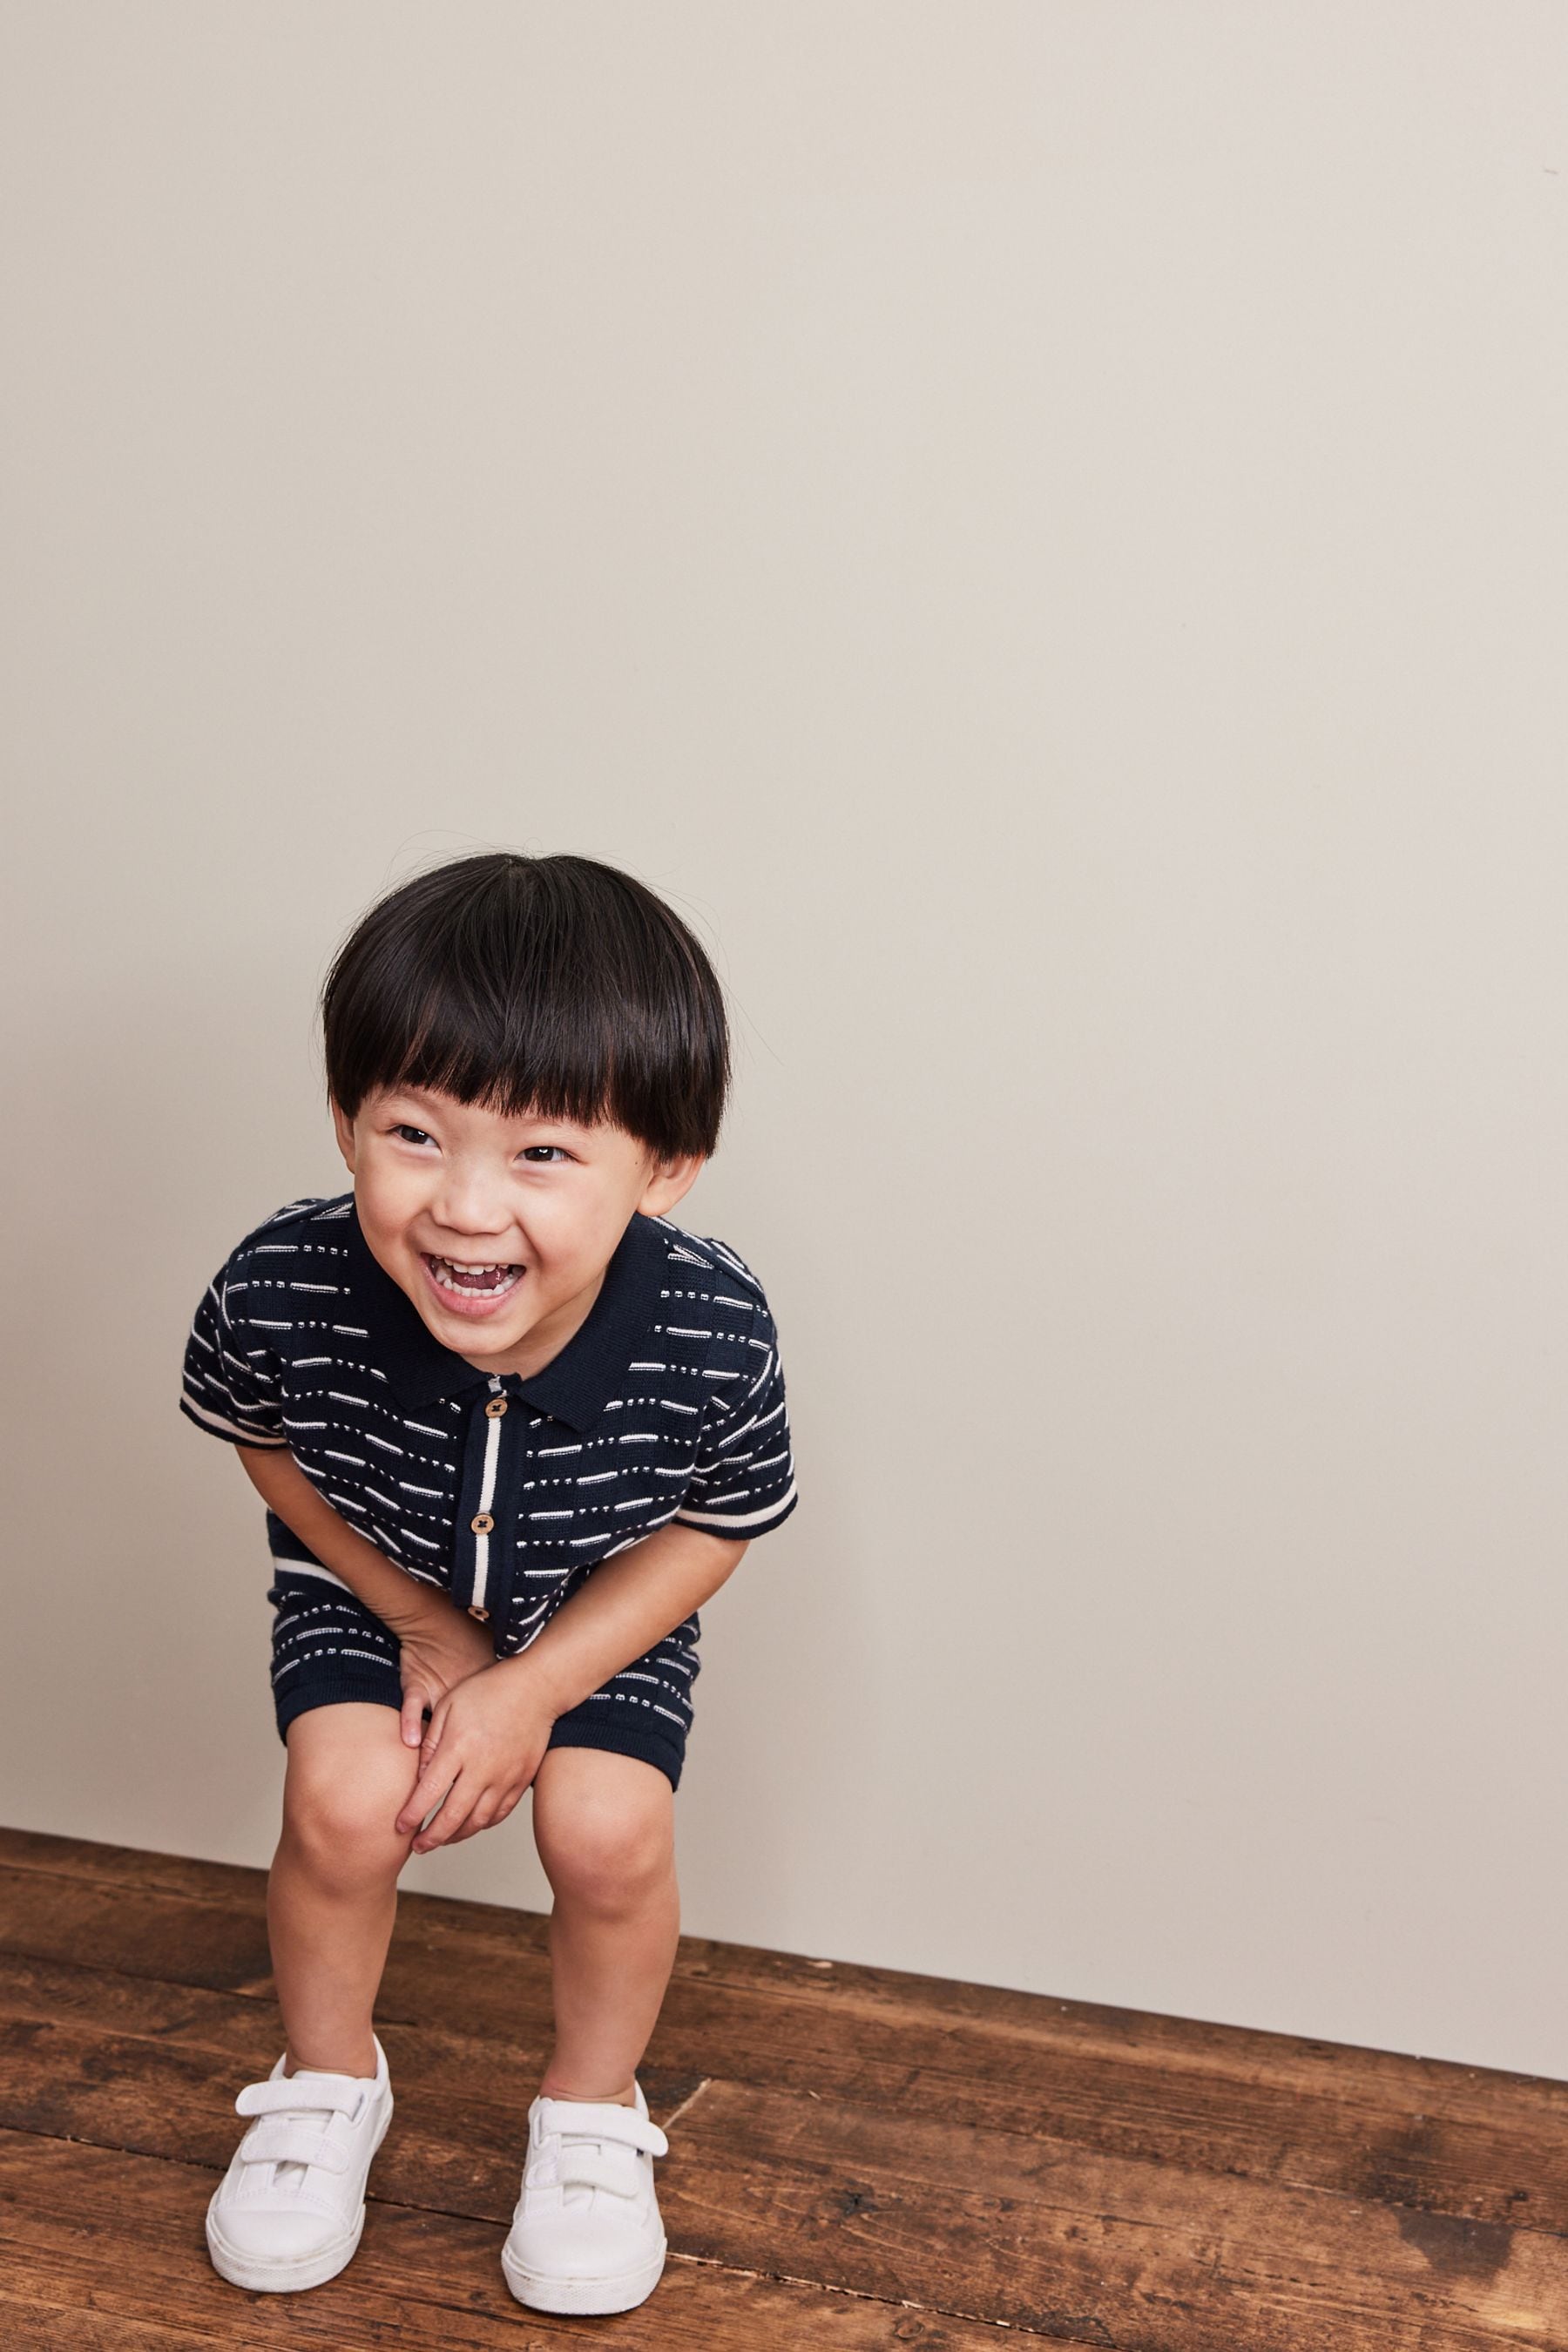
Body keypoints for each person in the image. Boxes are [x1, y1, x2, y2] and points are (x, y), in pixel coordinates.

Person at [178, 849, 799, 2317]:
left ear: (663, 1168)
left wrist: (530, 1683)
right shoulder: (279, 1283)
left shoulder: (711, 1325)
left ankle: (590, 2114)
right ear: (345, 1124)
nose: (464, 1207)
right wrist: (415, 1616)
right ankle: (328, 2081)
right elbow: (261, 1439)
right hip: (370, 1586)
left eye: (542, 1154)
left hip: (597, 1610)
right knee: (340, 1804)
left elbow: (719, 1522)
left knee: (606, 1829)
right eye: (413, 1132)